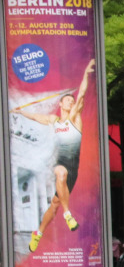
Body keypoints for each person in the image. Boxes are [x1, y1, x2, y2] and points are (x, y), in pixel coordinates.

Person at [13, 59, 95, 253]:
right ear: (60, 103)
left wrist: (85, 73)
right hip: (60, 163)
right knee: (60, 174)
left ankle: (38, 233)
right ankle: (68, 214)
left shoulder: (75, 118)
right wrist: (21, 111)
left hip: (74, 166)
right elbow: (36, 117)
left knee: (54, 205)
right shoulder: (53, 121)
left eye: (72, 100)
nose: (71, 101)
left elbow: (81, 93)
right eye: (68, 99)